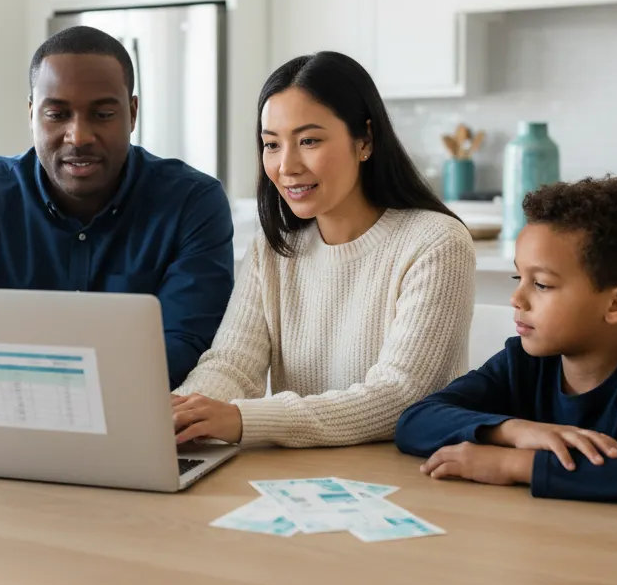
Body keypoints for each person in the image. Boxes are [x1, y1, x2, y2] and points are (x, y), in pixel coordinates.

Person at [0, 25, 234, 398]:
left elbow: (187, 350)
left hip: (128, 430)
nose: (79, 136)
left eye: (102, 114)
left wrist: (18, 383)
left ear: (132, 114)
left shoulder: (192, 202)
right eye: (57, 114)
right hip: (1, 428)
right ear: (32, 114)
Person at [171, 51, 475, 447]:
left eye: (309, 140)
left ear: (365, 140)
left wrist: (244, 419)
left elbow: (399, 395)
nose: (287, 166)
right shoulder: (274, 246)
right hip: (300, 480)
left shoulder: (436, 242)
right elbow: (232, 365)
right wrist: (182, 412)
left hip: (404, 480)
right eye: (271, 145)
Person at [395, 176, 617, 507]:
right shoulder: (521, 363)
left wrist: (513, 464)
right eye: (520, 277)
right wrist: (514, 431)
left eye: (543, 284)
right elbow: (415, 421)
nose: (516, 298)